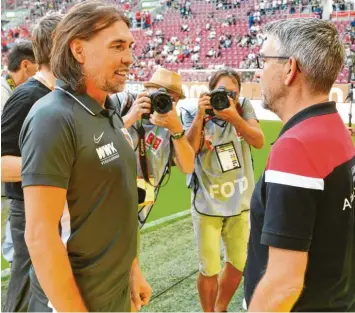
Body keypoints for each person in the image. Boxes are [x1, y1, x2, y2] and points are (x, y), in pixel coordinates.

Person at [19, 2, 150, 312]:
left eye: (129, 46)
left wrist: (132, 270)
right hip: (73, 302)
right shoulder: (53, 117)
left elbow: (118, 201)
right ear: (78, 50)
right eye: (117, 46)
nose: (129, 58)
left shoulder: (108, 112)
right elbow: (40, 236)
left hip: (114, 292)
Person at [244, 18, 355, 311]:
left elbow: (284, 283)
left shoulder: (297, 146)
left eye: (264, 59)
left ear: (289, 69)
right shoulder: (334, 127)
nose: (258, 71)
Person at [181, 68, 265, 312]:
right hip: (207, 201)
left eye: (233, 93)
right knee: (209, 267)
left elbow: (258, 141)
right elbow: (188, 152)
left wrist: (233, 116)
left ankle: (220, 308)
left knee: (239, 262)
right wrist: (199, 117)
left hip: (240, 201)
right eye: (222, 92)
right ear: (209, 91)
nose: (228, 97)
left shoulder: (243, 107)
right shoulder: (193, 110)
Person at [1, 14, 62, 313]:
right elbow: (2, 163)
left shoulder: (63, 94)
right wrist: (55, 166)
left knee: (49, 285)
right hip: (28, 207)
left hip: (59, 204)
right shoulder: (26, 96)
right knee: (26, 283)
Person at [112, 68, 195, 226]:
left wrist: (177, 131)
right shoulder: (123, 103)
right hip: (107, 201)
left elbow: (188, 166)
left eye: (172, 99)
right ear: (146, 90)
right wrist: (131, 117)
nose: (162, 101)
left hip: (138, 208)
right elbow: (94, 139)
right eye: (159, 94)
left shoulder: (171, 126)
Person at [1, 40, 37, 111]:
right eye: (39, 66)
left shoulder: (14, 88)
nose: (41, 70)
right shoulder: (2, 94)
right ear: (25, 65)